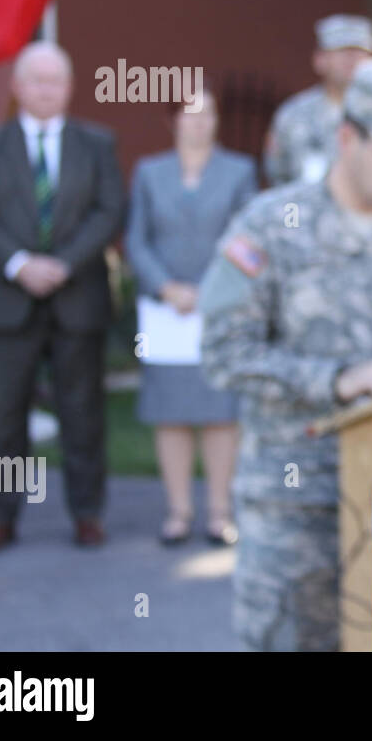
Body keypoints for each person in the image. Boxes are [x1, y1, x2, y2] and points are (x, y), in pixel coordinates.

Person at [199, 56, 372, 651]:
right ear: (348, 137)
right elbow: (223, 351)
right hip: (291, 511)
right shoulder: (272, 226)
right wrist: (337, 379)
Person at [0, 41, 126, 551]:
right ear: (18, 86)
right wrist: (19, 264)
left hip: (77, 297)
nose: (46, 89)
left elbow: (108, 210)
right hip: (9, 301)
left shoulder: (96, 143)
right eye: (37, 80)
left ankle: (86, 513)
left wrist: (64, 263)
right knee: (6, 414)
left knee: (83, 411)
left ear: (69, 87)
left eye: (55, 80)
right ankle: (0, 518)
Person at [124, 87, 258, 546]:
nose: (200, 123)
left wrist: (211, 290)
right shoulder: (149, 172)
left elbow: (247, 238)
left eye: (209, 114)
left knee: (221, 411)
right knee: (172, 412)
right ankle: (178, 511)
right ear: (173, 120)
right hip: (165, 311)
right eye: (191, 114)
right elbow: (136, 240)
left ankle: (220, 513)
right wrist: (167, 286)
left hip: (217, 308)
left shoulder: (239, 171)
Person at [263, 15, 372, 207]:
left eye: (360, 52)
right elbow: (279, 178)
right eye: (342, 51)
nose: (352, 59)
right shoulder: (293, 116)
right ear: (320, 60)